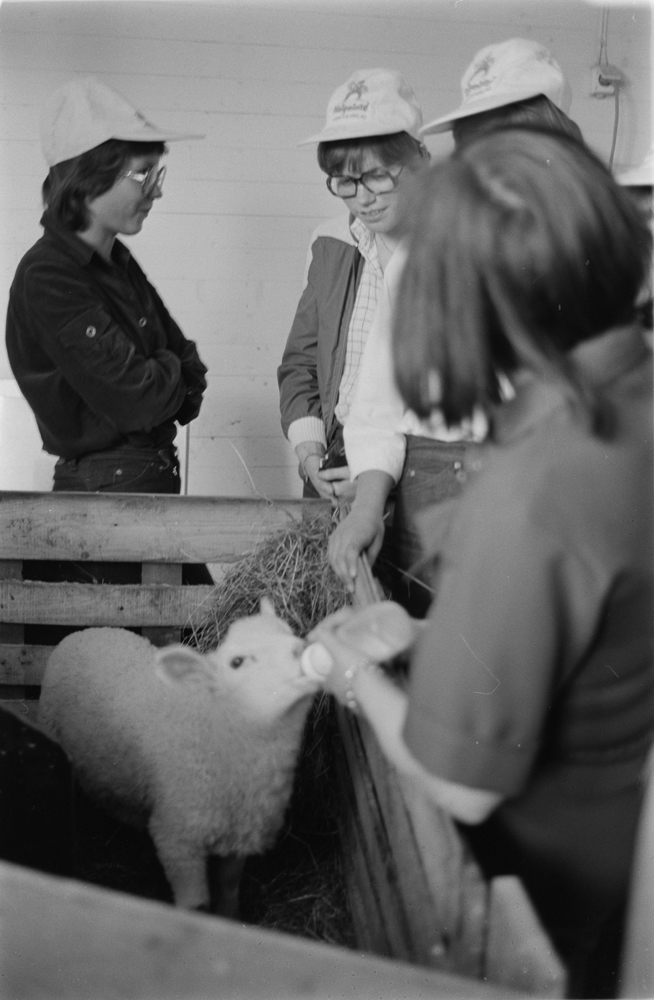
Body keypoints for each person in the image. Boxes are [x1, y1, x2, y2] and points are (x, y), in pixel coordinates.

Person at [310, 129, 653, 997]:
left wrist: (354, 675)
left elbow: (457, 787)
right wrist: (434, 627)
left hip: (565, 891)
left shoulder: (535, 488)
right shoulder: (634, 401)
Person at [328, 39, 583, 615]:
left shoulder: (596, 255)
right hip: (429, 491)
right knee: (434, 673)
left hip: (544, 490)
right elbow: (378, 406)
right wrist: (368, 509)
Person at [5, 76, 211, 594]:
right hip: (108, 494)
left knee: (207, 638)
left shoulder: (115, 259)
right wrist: (170, 377)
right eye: (144, 174)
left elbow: (191, 370)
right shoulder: (49, 276)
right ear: (89, 178)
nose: (157, 188)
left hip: (145, 483)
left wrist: (168, 376)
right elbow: (140, 399)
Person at [277, 68, 428, 501]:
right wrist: (311, 456)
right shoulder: (332, 244)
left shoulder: (454, 250)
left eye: (378, 175)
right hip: (334, 463)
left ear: (420, 161)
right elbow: (300, 366)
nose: (363, 198)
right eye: (345, 182)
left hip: (417, 472)